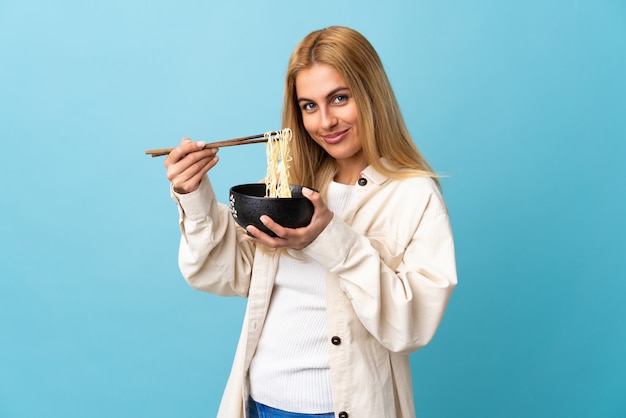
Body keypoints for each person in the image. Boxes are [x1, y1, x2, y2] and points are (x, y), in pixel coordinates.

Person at [163, 26, 457, 418]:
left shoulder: (414, 195)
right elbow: (224, 274)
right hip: (258, 402)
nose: (326, 122)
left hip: (340, 409)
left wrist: (331, 238)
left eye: (339, 98)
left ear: (371, 95)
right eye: (309, 106)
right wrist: (194, 195)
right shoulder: (290, 188)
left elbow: (411, 326)